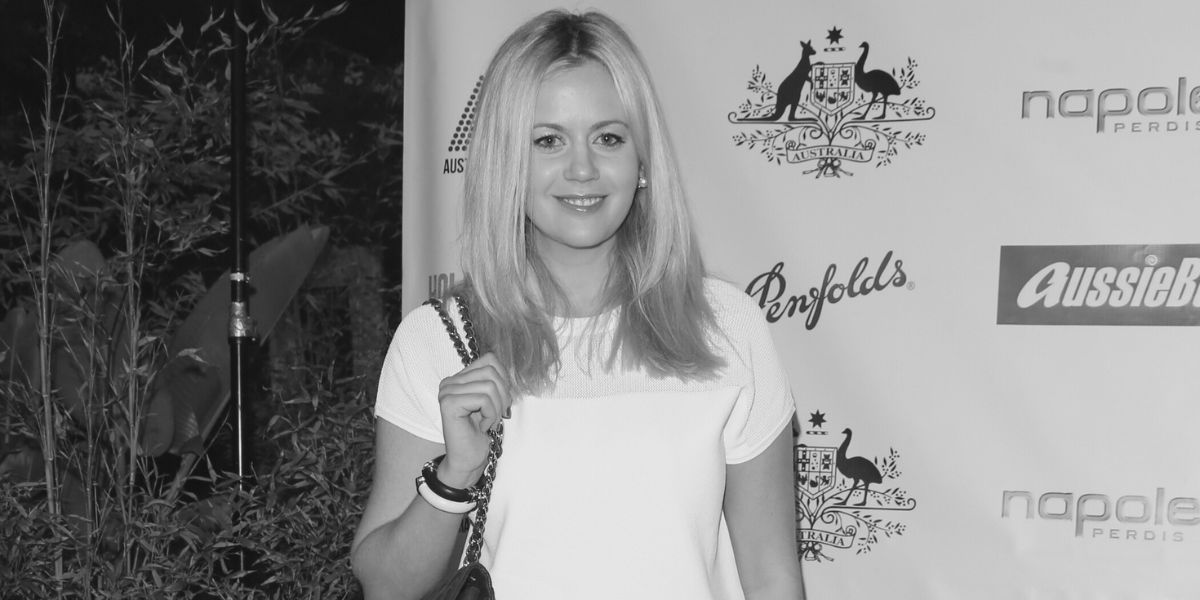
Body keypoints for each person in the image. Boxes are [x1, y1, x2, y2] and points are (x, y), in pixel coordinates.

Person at [352, 9, 805, 600]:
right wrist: (454, 475)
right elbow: (385, 586)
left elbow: (772, 576)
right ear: (506, 162)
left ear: (643, 162)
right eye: (549, 141)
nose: (583, 168)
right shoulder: (438, 341)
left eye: (609, 137)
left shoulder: (725, 326)